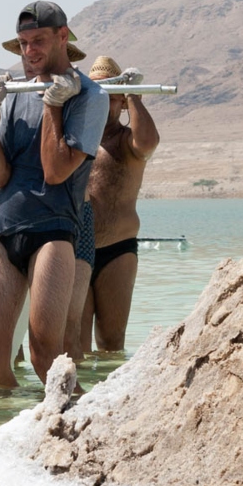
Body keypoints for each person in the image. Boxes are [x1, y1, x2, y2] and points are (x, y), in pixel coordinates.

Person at [0, 1, 108, 387]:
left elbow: (55, 171)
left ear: (63, 37)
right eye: (23, 43)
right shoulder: (17, 91)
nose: (29, 52)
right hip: (4, 227)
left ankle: (82, 418)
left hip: (53, 229)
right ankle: (4, 426)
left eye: (38, 41)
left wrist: (53, 106)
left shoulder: (91, 95)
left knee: (45, 353)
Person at [82, 55, 159, 354]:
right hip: (76, 249)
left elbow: (148, 143)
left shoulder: (128, 141)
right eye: (97, 95)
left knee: (111, 342)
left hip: (117, 250)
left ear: (121, 102)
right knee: (75, 345)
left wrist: (133, 94)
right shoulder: (75, 141)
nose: (103, 102)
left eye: (111, 96)